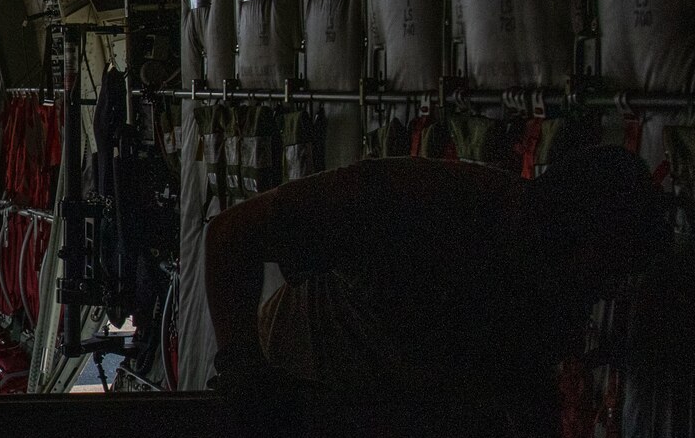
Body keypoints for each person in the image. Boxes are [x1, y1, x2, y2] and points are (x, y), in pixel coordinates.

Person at [204, 145, 671, 421]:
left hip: (389, 409)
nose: (600, 296)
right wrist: (246, 370)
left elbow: (525, 436)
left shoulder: (544, 298)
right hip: (306, 373)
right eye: (602, 274)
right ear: (563, 231)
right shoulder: (412, 203)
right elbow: (230, 234)